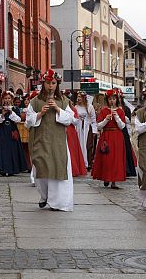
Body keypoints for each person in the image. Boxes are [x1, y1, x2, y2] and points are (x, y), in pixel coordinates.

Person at [26, 69, 74, 211]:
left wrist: (58, 109)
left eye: (53, 83)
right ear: (43, 83)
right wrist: (40, 114)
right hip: (40, 139)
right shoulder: (35, 101)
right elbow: (28, 121)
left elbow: (70, 119)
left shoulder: (64, 101)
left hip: (57, 142)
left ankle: (57, 202)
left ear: (57, 84)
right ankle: (44, 195)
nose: (50, 86)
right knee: (40, 169)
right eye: (48, 83)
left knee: (56, 169)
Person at [92, 88, 126, 189]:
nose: (112, 101)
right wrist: (106, 120)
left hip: (117, 136)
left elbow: (122, 126)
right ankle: (106, 177)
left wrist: (117, 118)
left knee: (116, 159)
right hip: (106, 136)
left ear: (117, 100)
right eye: (110, 99)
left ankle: (114, 181)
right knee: (107, 158)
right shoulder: (104, 111)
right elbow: (98, 126)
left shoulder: (120, 111)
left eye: (114, 99)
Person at [0, 90, 28, 176]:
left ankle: (12, 169)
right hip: (3, 130)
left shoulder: (15, 109)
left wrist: (11, 112)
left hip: (12, 130)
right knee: (3, 149)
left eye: (9, 98)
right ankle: (3, 168)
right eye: (5, 98)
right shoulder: (0, 109)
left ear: (12, 99)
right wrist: (2, 115)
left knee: (12, 149)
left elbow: (18, 120)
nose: (7, 100)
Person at [74, 91, 98, 171]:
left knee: (88, 145)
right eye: (78, 96)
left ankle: (88, 163)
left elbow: (93, 119)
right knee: (79, 145)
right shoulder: (76, 107)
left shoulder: (89, 107)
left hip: (87, 128)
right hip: (78, 128)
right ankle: (80, 163)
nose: (78, 98)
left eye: (80, 97)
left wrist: (94, 131)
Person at [66, 97, 87, 177]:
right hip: (64, 130)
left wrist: (69, 118)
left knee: (72, 149)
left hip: (71, 131)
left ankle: (73, 169)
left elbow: (76, 121)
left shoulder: (73, 109)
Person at [118, 91, 137, 177]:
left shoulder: (126, 108)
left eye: (118, 98)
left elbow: (128, 121)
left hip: (123, 130)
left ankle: (127, 169)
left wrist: (121, 113)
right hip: (114, 130)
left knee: (126, 149)